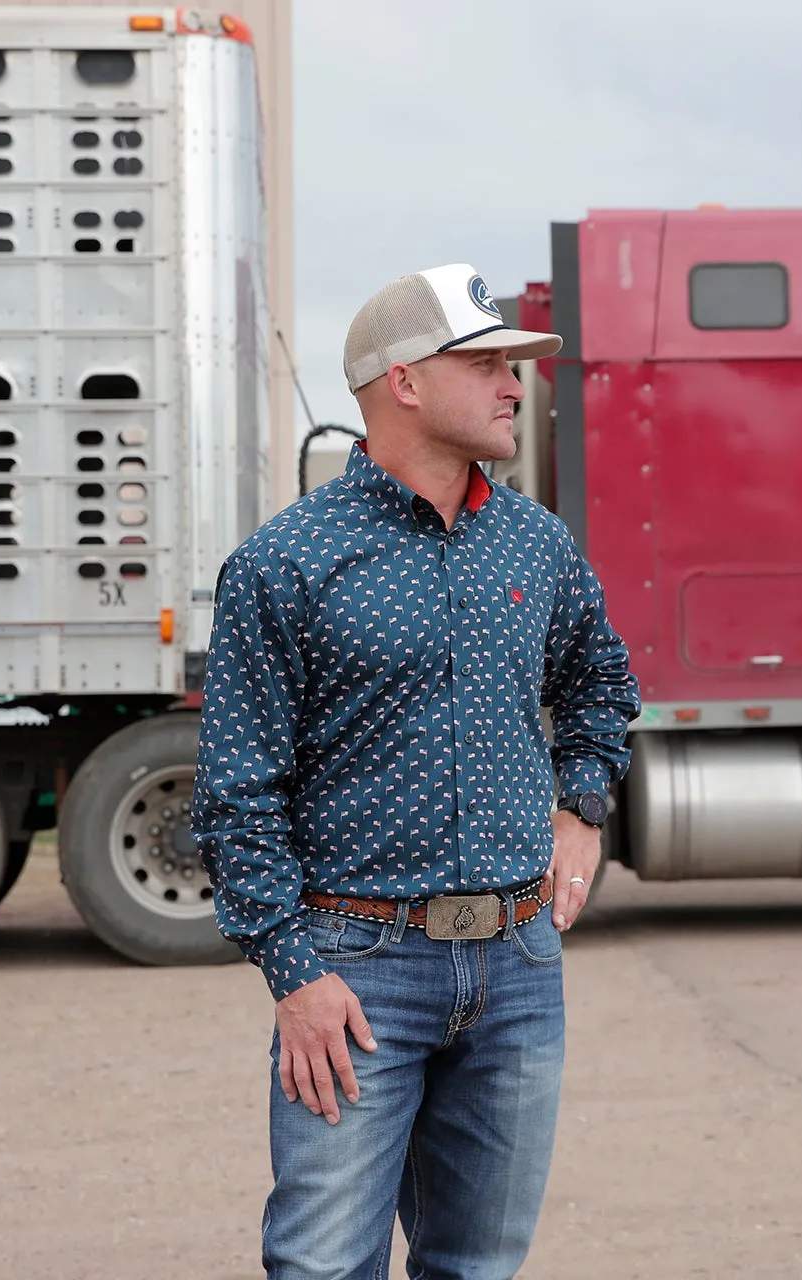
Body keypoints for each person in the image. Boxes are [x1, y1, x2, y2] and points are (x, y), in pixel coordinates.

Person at [191, 261, 641, 1279]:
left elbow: (601, 677)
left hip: (521, 963)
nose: (513, 387)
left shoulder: (536, 542)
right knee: (322, 1266)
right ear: (403, 380)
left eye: (511, 368)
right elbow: (236, 792)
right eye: (485, 363)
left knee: (477, 1267)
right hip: (358, 969)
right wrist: (294, 972)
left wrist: (582, 805)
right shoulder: (286, 563)